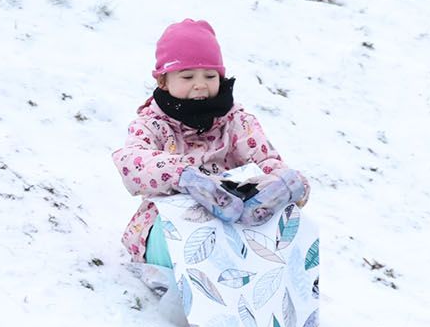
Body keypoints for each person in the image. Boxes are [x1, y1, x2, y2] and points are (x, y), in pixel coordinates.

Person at [112, 19, 311, 269]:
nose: (200, 84)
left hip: (235, 217)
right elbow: (133, 161)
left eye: (210, 75)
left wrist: (281, 181)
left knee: (279, 217)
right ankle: (181, 272)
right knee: (177, 238)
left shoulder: (236, 122)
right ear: (163, 81)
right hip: (172, 221)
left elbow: (264, 159)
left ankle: (255, 265)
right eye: (187, 76)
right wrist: (184, 176)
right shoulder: (152, 124)